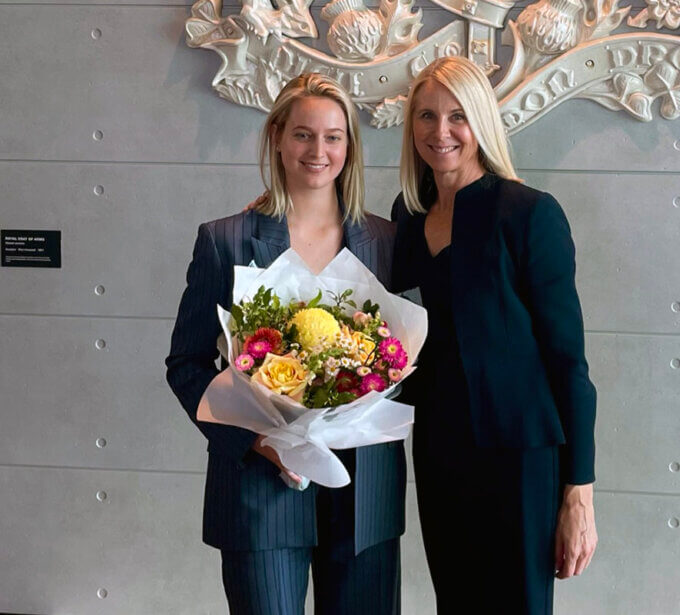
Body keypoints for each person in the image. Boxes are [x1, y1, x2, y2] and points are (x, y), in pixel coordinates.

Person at [165, 73, 404, 615]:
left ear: (350, 146)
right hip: (260, 491)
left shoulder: (388, 242)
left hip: (365, 494)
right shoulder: (225, 240)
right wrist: (257, 441)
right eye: (302, 134)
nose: (318, 151)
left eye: (333, 137)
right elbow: (186, 364)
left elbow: (408, 358)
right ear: (276, 137)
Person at [390, 56, 598, 614]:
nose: (441, 131)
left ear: (481, 120)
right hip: (440, 451)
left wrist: (579, 492)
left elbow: (569, 364)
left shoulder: (529, 214)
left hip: (520, 459)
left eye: (457, 115)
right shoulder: (408, 217)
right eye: (427, 116)